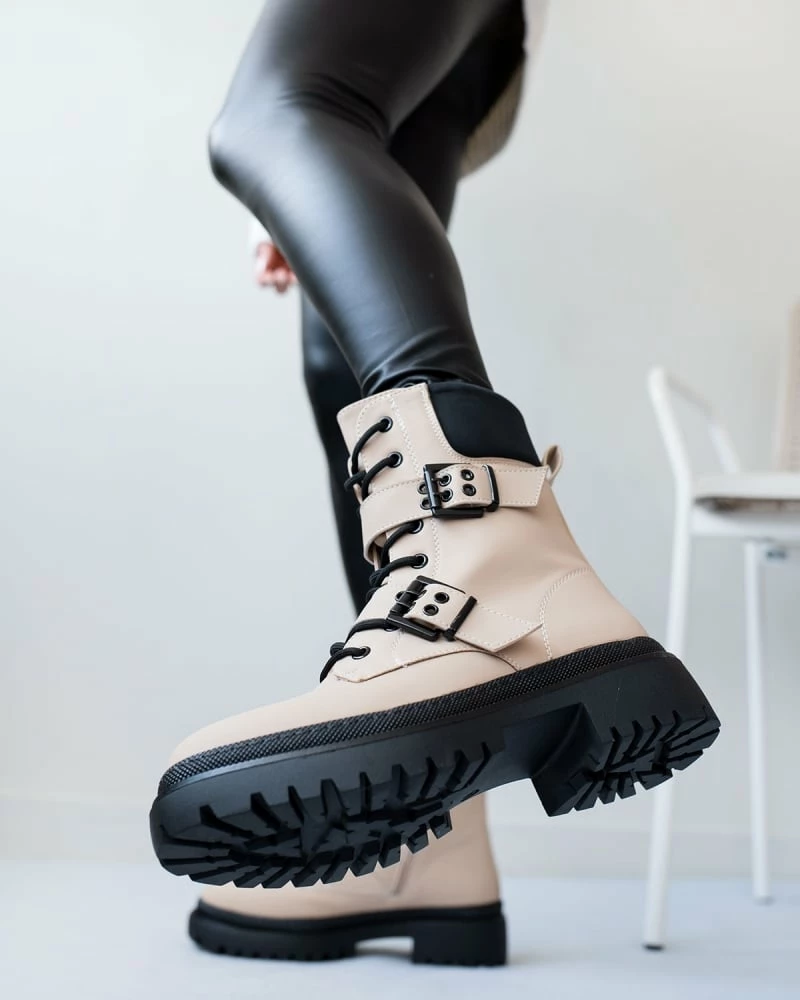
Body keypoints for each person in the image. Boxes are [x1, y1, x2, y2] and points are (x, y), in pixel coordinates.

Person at [151, 0, 721, 960]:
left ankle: (497, 556)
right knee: (342, 355)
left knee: (276, 117)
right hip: (481, 47)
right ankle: (434, 846)